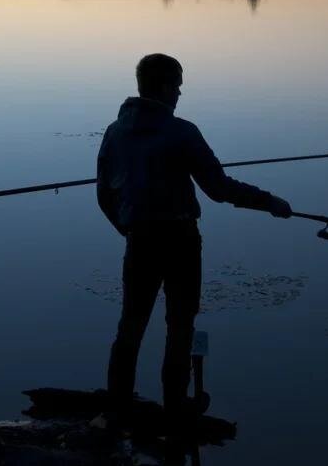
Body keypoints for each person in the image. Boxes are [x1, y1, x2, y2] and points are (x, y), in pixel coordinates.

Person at [97, 53, 292, 432]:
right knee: (180, 324)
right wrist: (270, 202)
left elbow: (104, 194)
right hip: (180, 239)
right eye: (179, 84)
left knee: (130, 326)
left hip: (139, 240)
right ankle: (175, 408)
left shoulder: (114, 132)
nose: (182, 91)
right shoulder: (181, 132)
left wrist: (128, 227)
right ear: (165, 86)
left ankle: (117, 407)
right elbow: (219, 190)